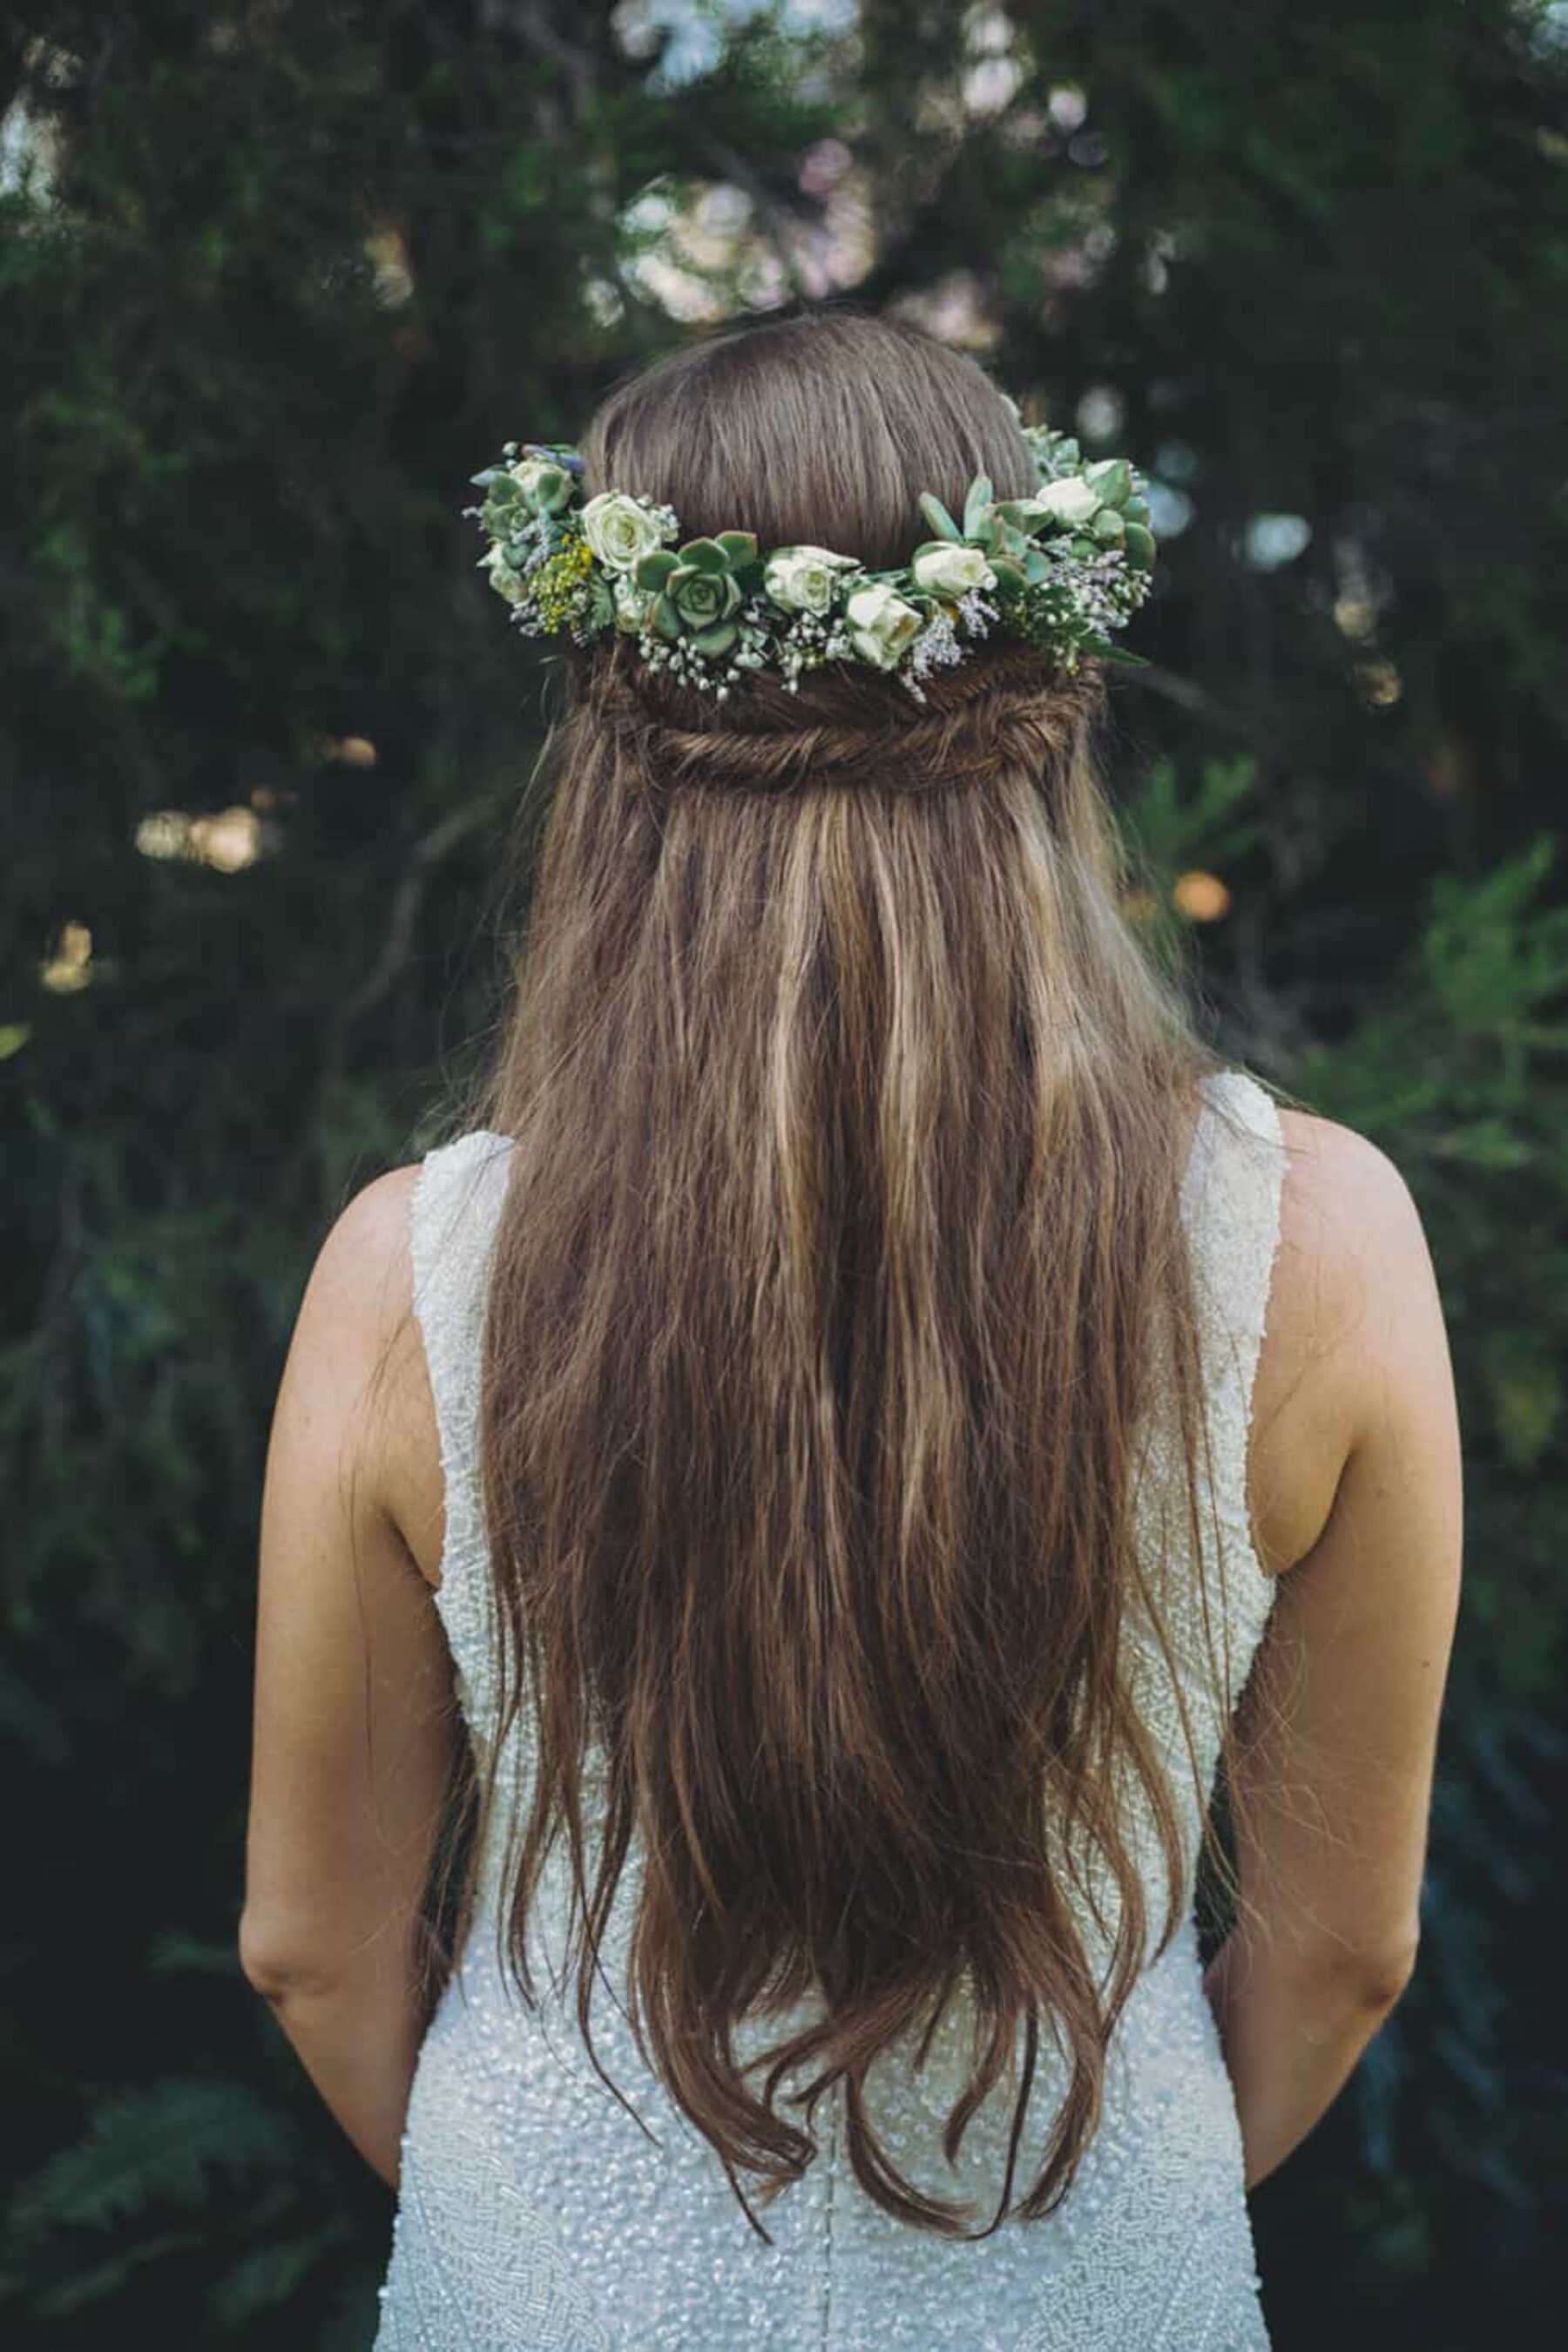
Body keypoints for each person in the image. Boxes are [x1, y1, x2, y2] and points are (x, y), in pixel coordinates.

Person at [239, 309, 1463, 2350]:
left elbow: (311, 1948)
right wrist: (1075, 2226)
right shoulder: (1322, 1241)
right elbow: (1345, 1951)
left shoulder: (411, 1276)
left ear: (609, 756)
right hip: (1095, 2280)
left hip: (546, 2291)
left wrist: (561, 2210)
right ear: (1037, 702)